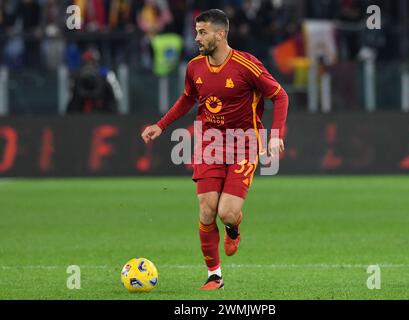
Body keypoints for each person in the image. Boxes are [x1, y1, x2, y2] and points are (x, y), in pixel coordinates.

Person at [141, 9, 289, 290]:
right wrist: (161, 125)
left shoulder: (248, 65)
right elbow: (187, 99)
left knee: (227, 214)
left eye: (202, 32)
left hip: (244, 145)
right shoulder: (194, 67)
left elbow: (280, 96)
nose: (196, 38)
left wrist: (275, 135)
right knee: (207, 210)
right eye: (197, 32)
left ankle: (233, 228)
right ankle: (214, 276)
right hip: (209, 145)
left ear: (220, 35)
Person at [67, 48, 122, 114]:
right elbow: (71, 99)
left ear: (96, 62)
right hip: (82, 111)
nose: (89, 65)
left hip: (104, 110)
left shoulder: (107, 74)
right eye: (86, 62)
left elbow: (118, 95)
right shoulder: (78, 77)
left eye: (92, 62)